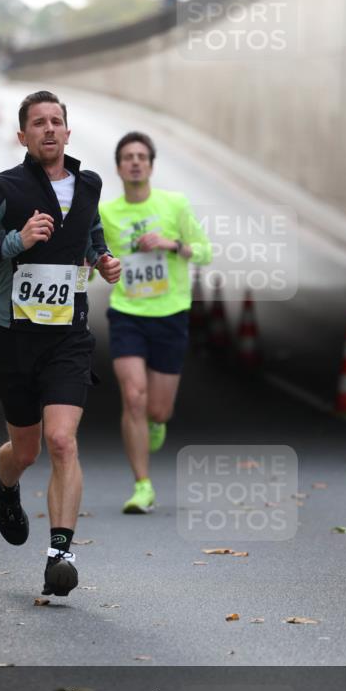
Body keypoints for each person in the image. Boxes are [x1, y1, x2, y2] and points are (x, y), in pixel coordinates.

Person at [0, 91, 121, 596]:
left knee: (62, 440)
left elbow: (93, 237)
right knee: (23, 451)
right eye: (38, 124)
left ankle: (60, 553)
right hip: (14, 340)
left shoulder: (88, 184)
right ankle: (6, 487)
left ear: (69, 132)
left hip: (69, 337)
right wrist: (14, 243)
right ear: (22, 136)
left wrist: (105, 259)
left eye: (57, 122)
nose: (49, 130)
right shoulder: (4, 188)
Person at [99, 132, 212, 514]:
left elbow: (205, 251)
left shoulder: (174, 205)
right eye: (128, 156)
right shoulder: (107, 213)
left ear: (150, 165)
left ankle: (157, 424)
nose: (134, 162)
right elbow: (95, 254)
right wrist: (99, 264)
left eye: (141, 156)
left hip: (170, 315)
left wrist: (171, 244)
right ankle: (142, 485)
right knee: (133, 396)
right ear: (118, 167)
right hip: (127, 314)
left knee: (158, 411)